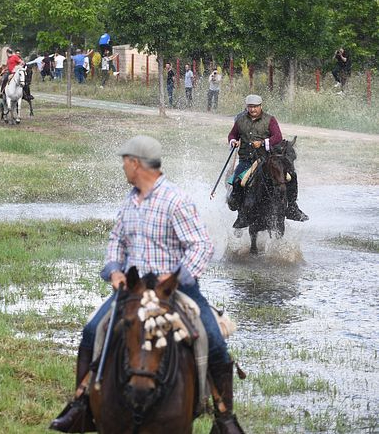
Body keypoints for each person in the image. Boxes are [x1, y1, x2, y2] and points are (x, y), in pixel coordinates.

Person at [50, 135, 244, 434]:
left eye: (125, 162)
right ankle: (80, 405)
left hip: (175, 290)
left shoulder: (175, 200)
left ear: (136, 163)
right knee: (92, 330)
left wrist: (177, 276)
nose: (124, 168)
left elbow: (201, 246)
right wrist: (115, 270)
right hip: (134, 290)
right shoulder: (131, 200)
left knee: (213, 340)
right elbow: (117, 240)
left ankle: (224, 416)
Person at [226, 94, 309, 229]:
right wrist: (233, 141)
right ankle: (241, 214)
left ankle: (292, 207)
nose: (252, 109)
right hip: (246, 160)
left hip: (266, 159)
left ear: (261, 106)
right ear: (247, 107)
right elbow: (232, 134)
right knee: (237, 181)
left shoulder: (270, 120)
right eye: (250, 107)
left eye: (255, 107)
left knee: (291, 177)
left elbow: (278, 136)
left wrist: (264, 143)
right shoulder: (240, 120)